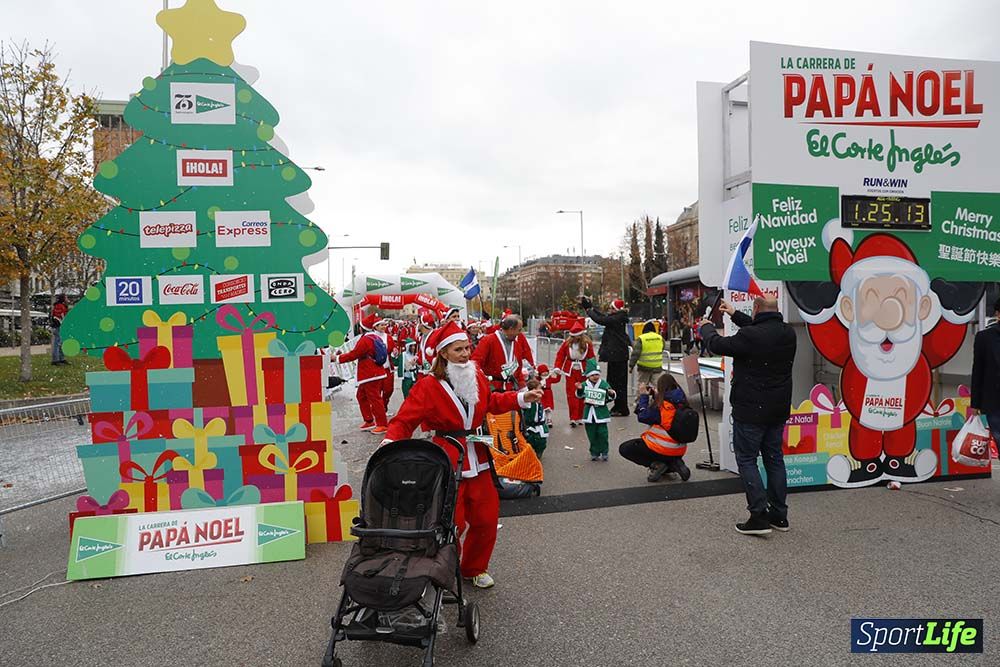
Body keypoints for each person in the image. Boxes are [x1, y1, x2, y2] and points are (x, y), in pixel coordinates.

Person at [383, 321, 543, 589]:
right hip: (447, 458)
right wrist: (391, 441)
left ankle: (474, 568)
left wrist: (522, 397)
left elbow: (491, 403)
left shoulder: (476, 374)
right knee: (450, 523)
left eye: (468, 347)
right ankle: (445, 568)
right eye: (459, 349)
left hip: (478, 457)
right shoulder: (427, 386)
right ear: (443, 353)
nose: (466, 354)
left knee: (486, 519)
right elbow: (405, 419)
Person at [700, 297, 796, 536]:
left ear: (755, 309)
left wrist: (706, 327)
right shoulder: (787, 333)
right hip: (777, 409)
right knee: (774, 459)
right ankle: (779, 516)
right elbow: (758, 331)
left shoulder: (751, 337)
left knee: (747, 460)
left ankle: (758, 515)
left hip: (751, 410)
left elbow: (717, 344)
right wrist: (733, 313)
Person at [619, 373, 692, 482]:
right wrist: (656, 396)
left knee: (625, 448)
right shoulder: (682, 402)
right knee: (667, 451)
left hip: (662, 448)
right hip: (679, 449)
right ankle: (675, 463)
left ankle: (660, 465)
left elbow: (643, 416)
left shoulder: (662, 406)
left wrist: (644, 396)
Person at [337, 314, 389, 434]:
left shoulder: (365, 339)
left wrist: (337, 358)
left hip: (370, 374)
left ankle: (382, 424)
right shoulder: (376, 338)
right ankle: (369, 420)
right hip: (374, 373)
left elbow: (354, 354)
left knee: (375, 399)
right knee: (361, 396)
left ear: (361, 328)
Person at [583, 297, 631, 416]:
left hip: (618, 355)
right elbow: (603, 317)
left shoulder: (617, 318)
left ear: (616, 309)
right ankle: (618, 406)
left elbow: (601, 319)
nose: (609, 310)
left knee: (618, 383)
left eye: (611, 308)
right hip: (617, 355)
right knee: (615, 382)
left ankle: (622, 408)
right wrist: (591, 308)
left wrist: (589, 311)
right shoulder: (618, 316)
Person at [471, 314, 535, 391]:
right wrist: (486, 386)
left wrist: (523, 390)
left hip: (510, 390)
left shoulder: (516, 345)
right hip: (493, 390)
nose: (520, 333)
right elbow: (475, 364)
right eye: (519, 330)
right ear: (511, 329)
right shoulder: (488, 341)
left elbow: (518, 371)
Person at [553, 321, 595, 426]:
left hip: (583, 371)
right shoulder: (567, 344)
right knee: (571, 395)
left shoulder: (587, 344)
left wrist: (594, 370)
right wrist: (557, 367)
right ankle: (573, 417)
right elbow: (560, 355)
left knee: (582, 394)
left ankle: (581, 416)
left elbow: (591, 357)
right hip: (570, 372)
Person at [971, 296, 1000, 443]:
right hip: (994, 401)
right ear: (998, 314)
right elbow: (978, 371)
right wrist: (975, 404)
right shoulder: (985, 337)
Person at [575, 359, 617, 461]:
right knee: (591, 434)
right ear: (588, 376)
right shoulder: (584, 385)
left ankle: (605, 451)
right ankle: (594, 451)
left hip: (601, 413)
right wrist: (580, 389)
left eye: (597, 375)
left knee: (603, 434)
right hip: (589, 413)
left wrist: (611, 393)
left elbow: (610, 396)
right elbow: (579, 396)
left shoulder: (603, 384)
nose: (595, 377)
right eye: (593, 375)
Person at [629, 320, 664, 399]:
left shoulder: (642, 338)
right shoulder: (660, 338)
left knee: (642, 386)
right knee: (657, 386)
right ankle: (658, 402)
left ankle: (640, 403)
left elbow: (635, 353)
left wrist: (631, 366)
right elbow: (662, 349)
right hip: (657, 367)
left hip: (644, 367)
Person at [371, 317, 396, 413]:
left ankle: (384, 407)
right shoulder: (371, 337)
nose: (384, 327)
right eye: (381, 325)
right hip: (376, 368)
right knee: (377, 391)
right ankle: (377, 410)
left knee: (389, 390)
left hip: (387, 368)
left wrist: (395, 352)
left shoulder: (388, 337)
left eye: (384, 325)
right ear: (375, 327)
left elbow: (393, 349)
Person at [521, 377, 549, 458]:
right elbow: (527, 415)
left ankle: (539, 452)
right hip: (532, 426)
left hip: (541, 425)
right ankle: (530, 454)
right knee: (531, 440)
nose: (542, 391)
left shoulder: (539, 400)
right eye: (539, 389)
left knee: (542, 441)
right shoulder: (530, 402)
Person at [50, 294, 69, 365]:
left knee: (60, 343)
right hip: (58, 326)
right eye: (66, 297)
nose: (67, 299)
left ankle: (61, 358)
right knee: (58, 343)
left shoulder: (59, 306)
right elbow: (61, 316)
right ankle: (56, 360)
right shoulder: (60, 306)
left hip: (58, 326)